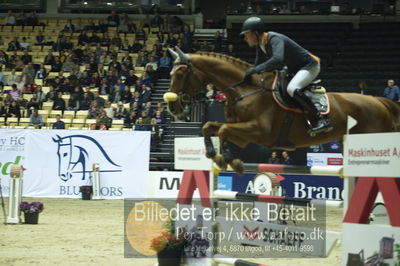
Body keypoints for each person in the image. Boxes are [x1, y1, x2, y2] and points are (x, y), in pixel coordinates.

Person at [241, 16, 332, 135]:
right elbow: (258, 65)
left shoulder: (274, 38)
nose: (245, 38)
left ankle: (322, 120)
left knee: (292, 88)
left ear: (256, 33)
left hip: (309, 66)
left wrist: (256, 69)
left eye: (247, 34)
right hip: (294, 69)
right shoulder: (261, 44)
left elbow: (277, 60)